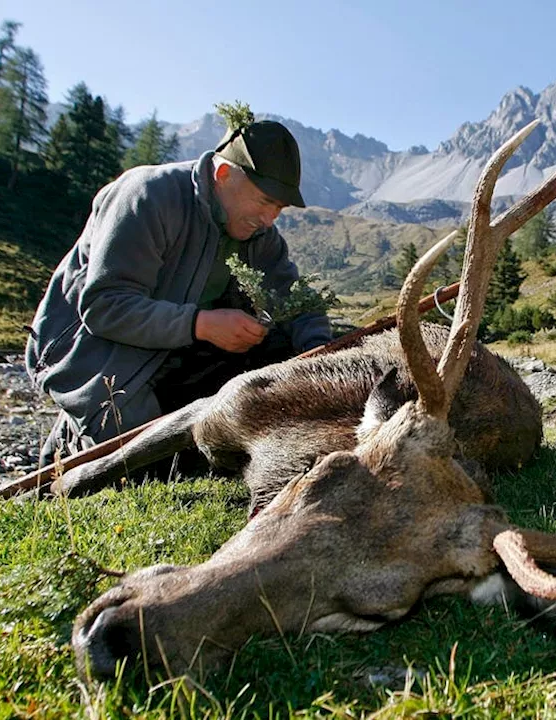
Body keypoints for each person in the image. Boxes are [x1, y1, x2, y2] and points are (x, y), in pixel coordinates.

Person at [25, 120, 332, 467]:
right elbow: (103, 307)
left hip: (180, 349)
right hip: (95, 352)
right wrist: (201, 324)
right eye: (265, 201)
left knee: (250, 416)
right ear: (224, 175)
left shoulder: (261, 238)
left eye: (279, 209)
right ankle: (74, 434)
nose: (269, 218)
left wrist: (318, 351)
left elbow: (295, 303)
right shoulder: (148, 196)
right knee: (148, 463)